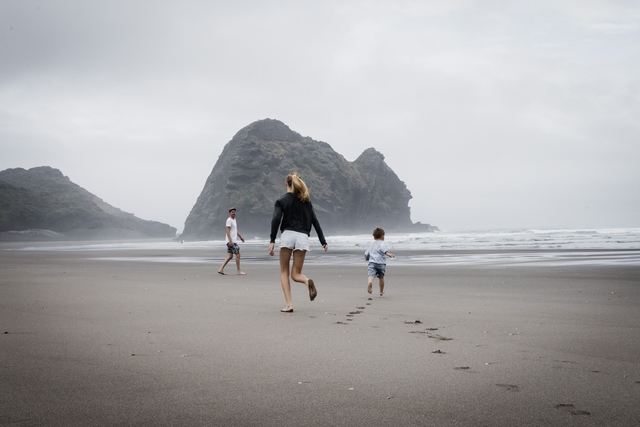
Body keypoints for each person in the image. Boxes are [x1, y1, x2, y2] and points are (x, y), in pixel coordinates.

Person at [268, 173, 328, 313]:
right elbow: (315, 221)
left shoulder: (281, 200)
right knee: (296, 274)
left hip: (288, 235)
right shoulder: (306, 201)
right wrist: (323, 241)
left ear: (286, 183)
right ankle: (307, 281)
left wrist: (272, 240)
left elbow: (276, 220)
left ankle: (289, 305)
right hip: (303, 237)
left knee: (284, 271)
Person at [364, 227, 395, 296]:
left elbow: (367, 253)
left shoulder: (372, 245)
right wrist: (387, 253)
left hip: (372, 263)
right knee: (381, 277)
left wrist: (366, 258)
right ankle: (381, 291)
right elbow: (383, 249)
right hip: (381, 263)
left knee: (371, 275)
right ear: (383, 236)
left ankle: (370, 283)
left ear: (374, 237)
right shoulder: (382, 243)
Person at [218, 207, 246, 275]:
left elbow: (235, 230)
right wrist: (230, 240)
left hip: (232, 241)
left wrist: (240, 237)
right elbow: (227, 230)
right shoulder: (229, 220)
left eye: (234, 212)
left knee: (230, 256)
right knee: (238, 254)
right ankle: (239, 271)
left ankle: (221, 269)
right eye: (232, 212)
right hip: (231, 241)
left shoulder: (234, 220)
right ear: (229, 213)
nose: (233, 213)